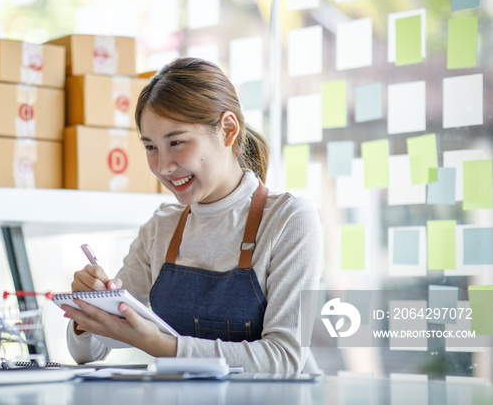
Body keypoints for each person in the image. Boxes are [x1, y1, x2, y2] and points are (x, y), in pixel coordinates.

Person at [61, 57, 321, 373]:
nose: (162, 166)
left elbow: (284, 359)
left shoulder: (290, 220)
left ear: (227, 130)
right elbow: (90, 353)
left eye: (176, 143)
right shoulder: (161, 228)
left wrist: (160, 345)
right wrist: (88, 311)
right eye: (151, 147)